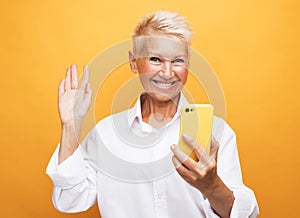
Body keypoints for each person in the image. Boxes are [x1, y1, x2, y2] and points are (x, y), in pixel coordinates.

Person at [46, 11, 259, 218]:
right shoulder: (105, 134)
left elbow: (243, 215)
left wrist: (212, 187)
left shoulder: (217, 132)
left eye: (177, 61)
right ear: (133, 62)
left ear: (188, 63)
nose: (167, 73)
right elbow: (70, 200)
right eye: (155, 59)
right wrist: (70, 125)